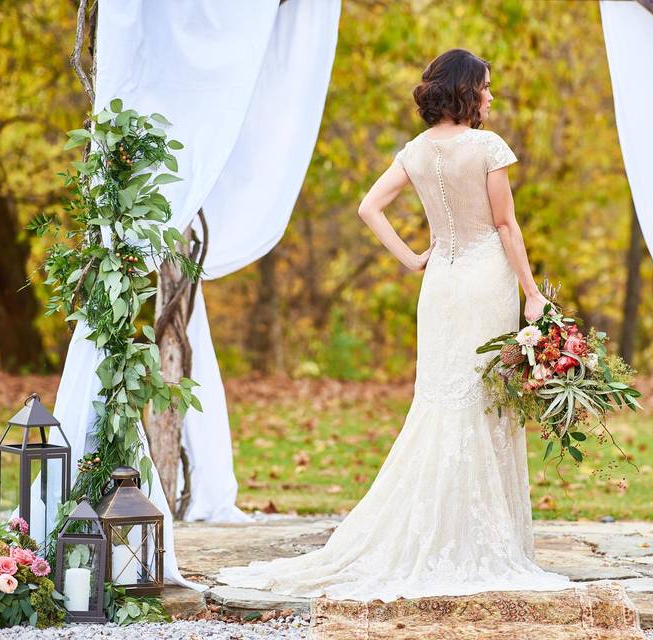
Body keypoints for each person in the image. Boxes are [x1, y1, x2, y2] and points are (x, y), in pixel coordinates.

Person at [219, 48, 569, 601]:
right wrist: (532, 294)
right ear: (467, 92)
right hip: (485, 283)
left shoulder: (414, 152)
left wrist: (411, 258)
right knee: (483, 402)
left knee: (440, 401)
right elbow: (506, 224)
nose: (492, 97)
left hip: (441, 285)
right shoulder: (486, 148)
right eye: (486, 87)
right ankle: (480, 541)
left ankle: (435, 533)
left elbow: (368, 207)